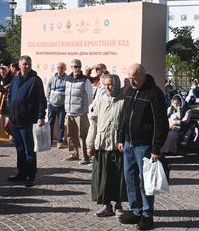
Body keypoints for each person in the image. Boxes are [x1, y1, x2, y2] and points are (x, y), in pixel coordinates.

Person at [117, 63, 168, 230]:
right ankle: (135, 210)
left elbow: (161, 123)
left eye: (134, 78)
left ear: (143, 75)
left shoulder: (155, 94)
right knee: (130, 178)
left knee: (145, 181)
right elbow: (123, 117)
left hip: (145, 146)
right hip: (128, 144)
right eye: (129, 78)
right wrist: (120, 138)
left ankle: (147, 214)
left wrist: (156, 148)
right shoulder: (130, 91)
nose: (131, 81)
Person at [86, 74, 126, 218]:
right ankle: (106, 205)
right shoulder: (102, 100)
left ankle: (119, 205)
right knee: (103, 178)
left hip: (117, 146)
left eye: (111, 85)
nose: (108, 88)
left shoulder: (124, 101)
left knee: (118, 178)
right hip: (102, 144)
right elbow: (94, 122)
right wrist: (90, 143)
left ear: (117, 84)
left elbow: (126, 124)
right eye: (106, 85)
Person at [6, 55, 46, 188]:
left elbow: (41, 100)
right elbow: (10, 96)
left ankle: (30, 176)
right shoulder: (15, 80)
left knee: (29, 149)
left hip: (28, 120)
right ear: (19, 64)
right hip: (15, 119)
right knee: (19, 148)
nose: (26, 66)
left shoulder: (35, 80)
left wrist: (41, 116)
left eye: (28, 64)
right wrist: (10, 110)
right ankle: (21, 173)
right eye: (24, 64)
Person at [65, 59, 93, 164]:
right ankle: (73, 154)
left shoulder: (86, 80)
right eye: (73, 66)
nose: (75, 68)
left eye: (77, 66)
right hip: (69, 112)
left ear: (80, 67)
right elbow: (66, 94)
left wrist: (84, 108)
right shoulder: (67, 79)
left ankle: (85, 157)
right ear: (71, 68)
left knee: (83, 135)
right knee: (70, 134)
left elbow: (89, 96)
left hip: (81, 113)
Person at [45, 62, 67, 148]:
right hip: (52, 105)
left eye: (62, 67)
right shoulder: (52, 78)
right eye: (58, 67)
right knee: (50, 123)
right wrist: (49, 101)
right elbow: (48, 90)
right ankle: (49, 141)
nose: (60, 69)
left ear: (65, 69)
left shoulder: (68, 79)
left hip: (62, 106)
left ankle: (60, 141)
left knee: (61, 124)